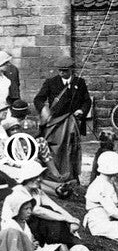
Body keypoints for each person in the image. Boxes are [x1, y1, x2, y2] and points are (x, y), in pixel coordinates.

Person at [33, 55, 91, 186]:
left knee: (72, 148)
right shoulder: (51, 82)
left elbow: (86, 101)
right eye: (60, 70)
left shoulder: (79, 83)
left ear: (71, 70)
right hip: (55, 124)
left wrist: (81, 110)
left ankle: (73, 177)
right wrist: (44, 109)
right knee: (56, 149)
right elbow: (38, 99)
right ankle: (56, 177)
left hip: (73, 123)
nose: (62, 73)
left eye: (65, 70)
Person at [84, 151, 118, 240]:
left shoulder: (107, 183)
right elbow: (112, 211)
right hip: (99, 224)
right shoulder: (100, 186)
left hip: (107, 220)